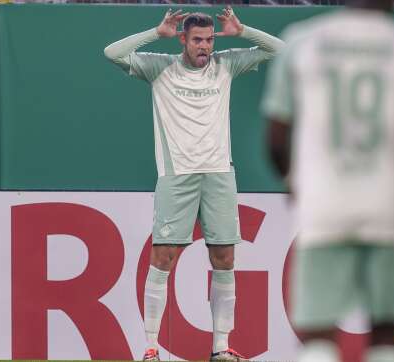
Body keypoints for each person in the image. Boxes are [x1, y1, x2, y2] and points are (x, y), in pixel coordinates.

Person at [262, 0, 394, 361]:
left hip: (324, 206)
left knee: (317, 337)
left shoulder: (303, 41)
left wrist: (293, 180)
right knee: (385, 337)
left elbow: (275, 139)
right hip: (387, 208)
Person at [103, 7, 283, 362]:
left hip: (219, 175)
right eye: (198, 40)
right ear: (183, 39)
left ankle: (220, 348)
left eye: (210, 39)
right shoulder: (160, 67)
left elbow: (280, 49)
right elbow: (113, 53)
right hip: (177, 176)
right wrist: (157, 32)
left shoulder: (225, 64)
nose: (205, 46)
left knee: (225, 258)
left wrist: (242, 29)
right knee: (163, 257)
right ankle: (151, 348)